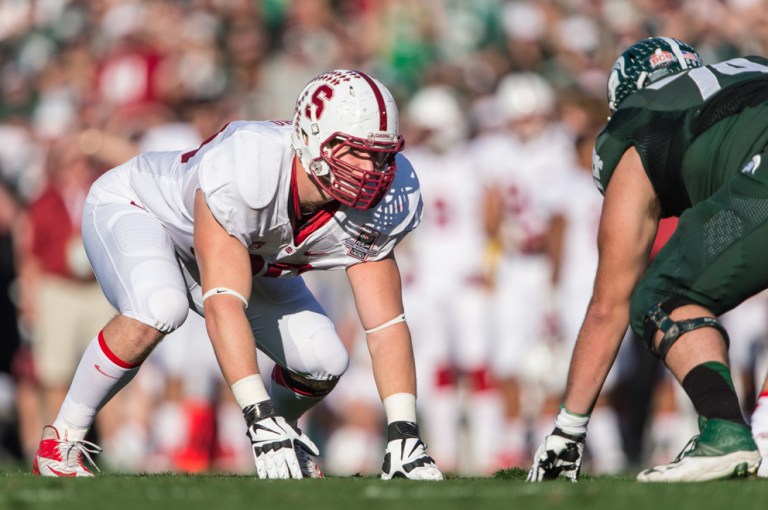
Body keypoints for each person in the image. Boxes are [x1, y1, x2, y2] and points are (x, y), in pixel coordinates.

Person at [31, 69, 443, 481]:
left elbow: (386, 324)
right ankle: (61, 439)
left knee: (324, 361)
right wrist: (255, 415)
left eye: (382, 154)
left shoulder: (386, 198)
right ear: (314, 139)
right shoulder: (251, 164)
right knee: (160, 306)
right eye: (357, 151)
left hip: (239, 252)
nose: (374, 169)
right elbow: (225, 303)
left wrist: (403, 433)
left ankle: (287, 433)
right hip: (141, 209)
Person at [527, 37, 768, 483]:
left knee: (661, 294)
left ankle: (725, 431)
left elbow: (609, 305)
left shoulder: (639, 124)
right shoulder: (751, 67)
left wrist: (568, 430)